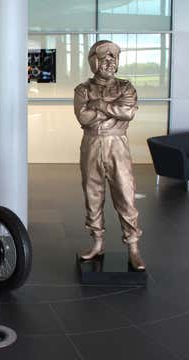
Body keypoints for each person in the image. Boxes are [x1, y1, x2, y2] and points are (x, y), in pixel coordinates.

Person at [73, 40, 145, 271]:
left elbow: (128, 112)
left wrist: (100, 104)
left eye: (113, 58)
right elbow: (83, 118)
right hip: (91, 144)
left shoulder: (126, 87)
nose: (109, 62)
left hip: (117, 145)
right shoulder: (82, 89)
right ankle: (97, 243)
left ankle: (133, 247)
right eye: (104, 58)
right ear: (94, 61)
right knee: (93, 195)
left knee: (125, 194)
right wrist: (113, 111)